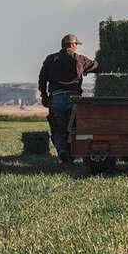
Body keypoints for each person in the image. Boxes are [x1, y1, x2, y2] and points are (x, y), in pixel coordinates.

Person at [38, 34, 98, 164]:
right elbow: (96, 65)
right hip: (75, 100)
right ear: (72, 45)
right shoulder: (80, 59)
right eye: (76, 44)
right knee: (75, 129)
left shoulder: (50, 59)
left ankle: (62, 152)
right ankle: (74, 153)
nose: (76, 47)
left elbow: (42, 79)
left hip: (56, 98)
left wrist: (44, 96)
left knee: (58, 129)